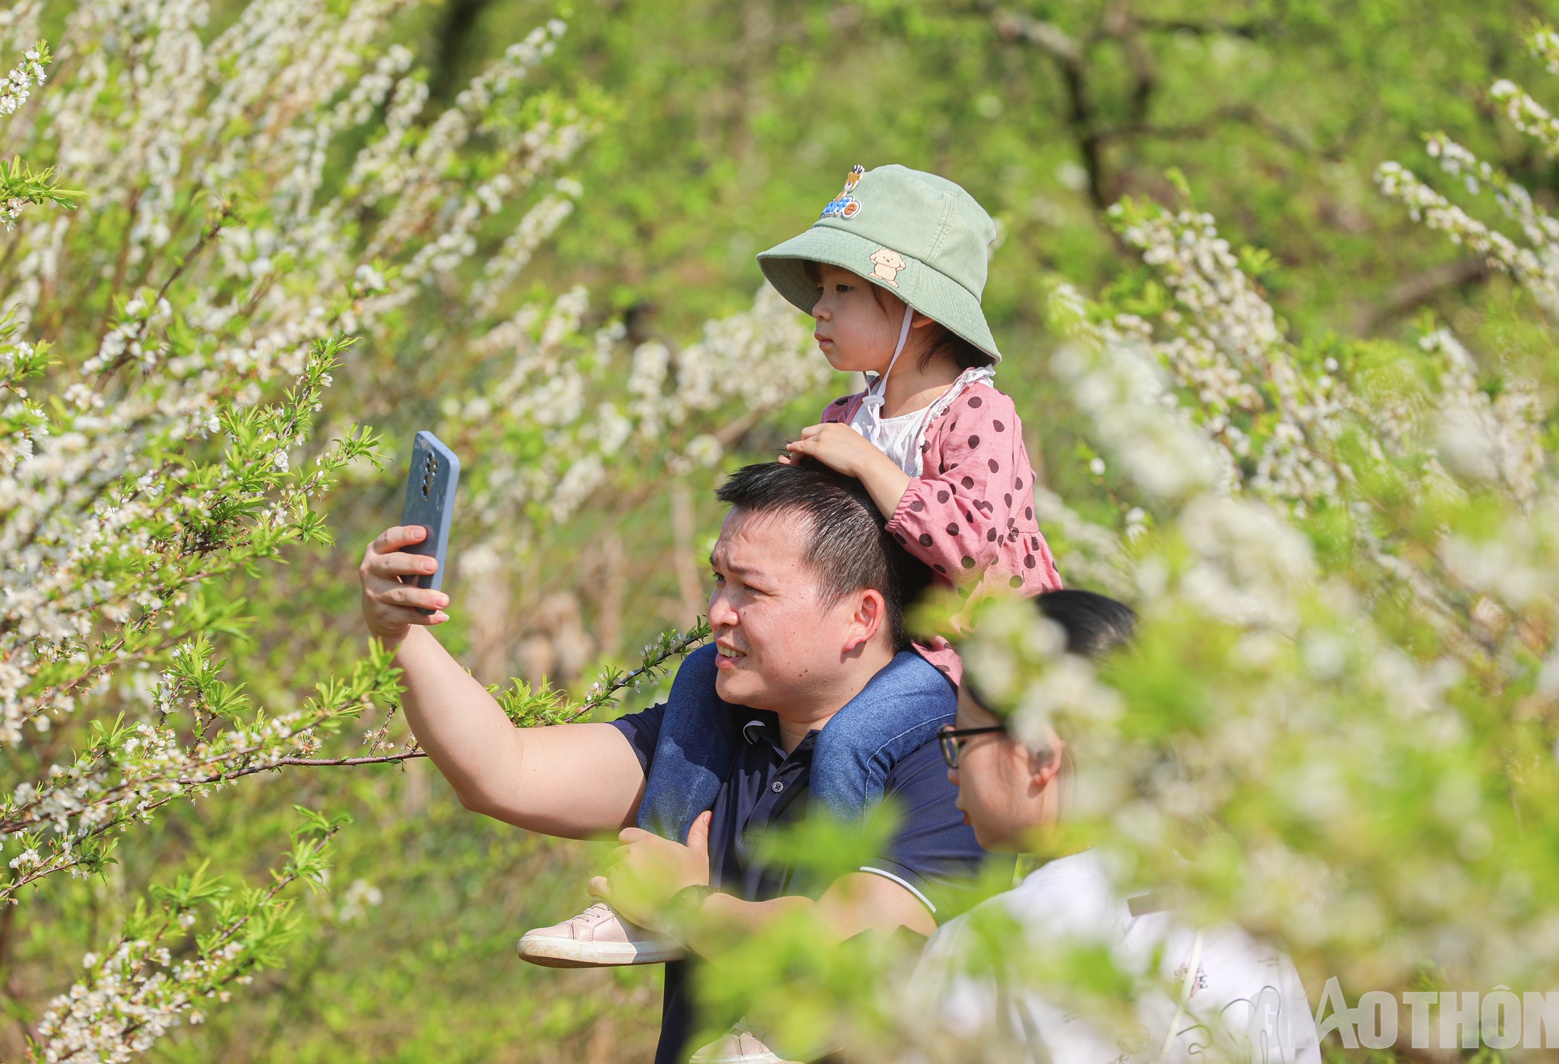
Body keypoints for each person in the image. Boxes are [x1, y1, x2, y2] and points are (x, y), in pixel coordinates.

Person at [527, 163, 1062, 966]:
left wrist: (870, 468)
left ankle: (819, 934)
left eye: (843, 290)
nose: (820, 309)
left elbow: (977, 551)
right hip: (880, 642)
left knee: (851, 740)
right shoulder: (850, 414)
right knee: (699, 678)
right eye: (820, 290)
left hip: (962, 655)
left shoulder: (977, 413)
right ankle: (654, 885)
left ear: (916, 309)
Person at [359, 461, 988, 1064]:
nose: (718, 612)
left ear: (861, 616)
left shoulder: (950, 762)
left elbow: (845, 947)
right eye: (719, 579)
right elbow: (504, 770)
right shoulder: (719, 731)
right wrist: (400, 633)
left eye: (752, 589)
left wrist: (683, 903)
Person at [909, 590, 1321, 1063]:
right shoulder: (1245, 916)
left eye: (962, 738)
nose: (953, 770)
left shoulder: (985, 944)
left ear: (1039, 753)